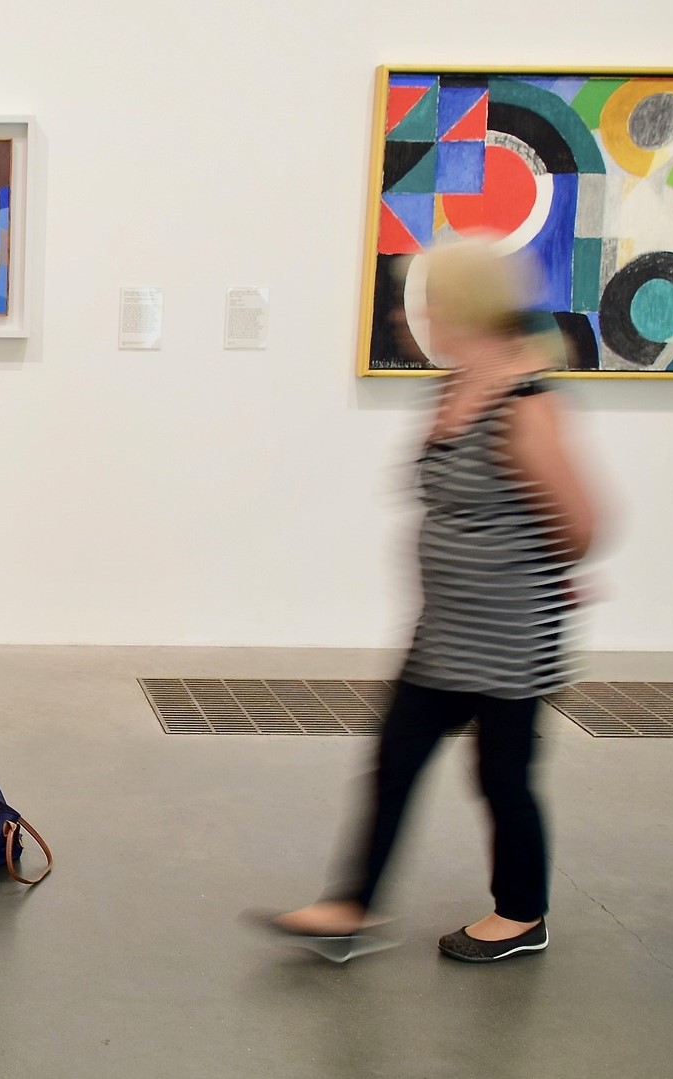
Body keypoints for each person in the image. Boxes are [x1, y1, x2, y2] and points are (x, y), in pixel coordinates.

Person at [268, 241, 600, 964]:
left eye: (431, 302)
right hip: (446, 631)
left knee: (502, 777)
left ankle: (521, 914)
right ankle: (350, 906)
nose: (412, 315)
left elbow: (582, 522)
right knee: (395, 759)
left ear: (469, 308)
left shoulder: (526, 402)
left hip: (510, 637)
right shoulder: (453, 389)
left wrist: (534, 571)